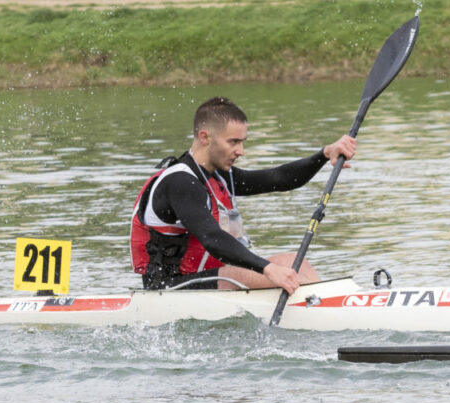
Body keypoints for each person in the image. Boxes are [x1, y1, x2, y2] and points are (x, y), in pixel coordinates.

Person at [130, 96, 359, 294]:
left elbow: (278, 179)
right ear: (205, 137)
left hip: (206, 278)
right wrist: (267, 269)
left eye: (242, 142)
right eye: (233, 142)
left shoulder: (217, 175)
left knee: (294, 262)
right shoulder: (180, 182)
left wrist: (324, 154)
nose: (241, 151)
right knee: (281, 273)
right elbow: (213, 238)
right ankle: (323, 306)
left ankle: (329, 304)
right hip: (168, 288)